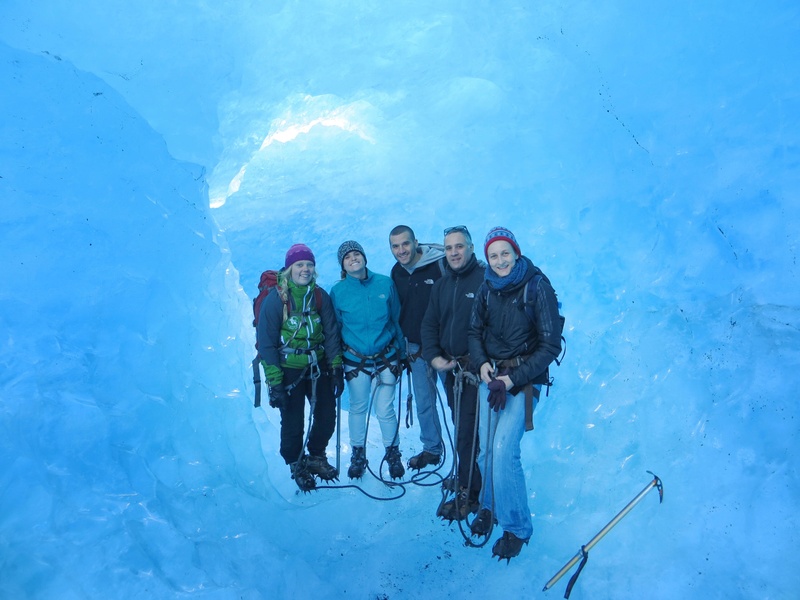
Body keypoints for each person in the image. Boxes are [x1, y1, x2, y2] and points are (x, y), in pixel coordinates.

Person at [468, 227, 562, 560]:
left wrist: (511, 380)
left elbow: (551, 344)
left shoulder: (537, 287)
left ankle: (517, 527)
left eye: (505, 253)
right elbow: (474, 332)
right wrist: (481, 365)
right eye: (493, 255)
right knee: (485, 453)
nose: (500, 260)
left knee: (504, 451)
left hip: (524, 382)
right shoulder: (486, 289)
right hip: (491, 376)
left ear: (516, 252)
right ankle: (490, 508)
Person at [256, 244, 345, 493]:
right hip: (289, 369)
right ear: (289, 269)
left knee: (327, 416)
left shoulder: (319, 296)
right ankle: (296, 462)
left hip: (318, 367)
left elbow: (331, 334)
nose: (305, 269)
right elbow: (266, 343)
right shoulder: (276, 300)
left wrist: (335, 367)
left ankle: (316, 456)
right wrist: (275, 383)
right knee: (293, 421)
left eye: (309, 265)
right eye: (300, 265)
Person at [421, 225, 486, 520]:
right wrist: (434, 357)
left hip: (475, 373)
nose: (454, 253)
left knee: (467, 432)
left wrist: (479, 359)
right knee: (462, 427)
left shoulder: (485, 280)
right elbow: (429, 324)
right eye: (449, 248)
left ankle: (470, 494)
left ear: (471, 248)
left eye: (459, 247)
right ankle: (467, 478)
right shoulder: (442, 285)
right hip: (453, 373)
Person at [330, 240, 407, 480]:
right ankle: (358, 454)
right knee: (358, 407)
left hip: (387, 357)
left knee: (385, 409)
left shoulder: (385, 283)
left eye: (356, 254)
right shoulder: (338, 292)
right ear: (343, 265)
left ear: (364, 257)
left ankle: (393, 454)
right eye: (347, 257)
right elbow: (336, 327)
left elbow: (396, 320)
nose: (353, 258)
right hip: (356, 360)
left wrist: (403, 354)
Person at [389, 225, 446, 470]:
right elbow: (400, 311)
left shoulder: (439, 264)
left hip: (445, 347)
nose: (401, 250)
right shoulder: (397, 273)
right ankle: (432, 449)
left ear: (416, 242)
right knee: (424, 402)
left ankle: (470, 451)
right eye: (395, 246)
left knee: (458, 403)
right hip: (416, 350)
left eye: (405, 244)